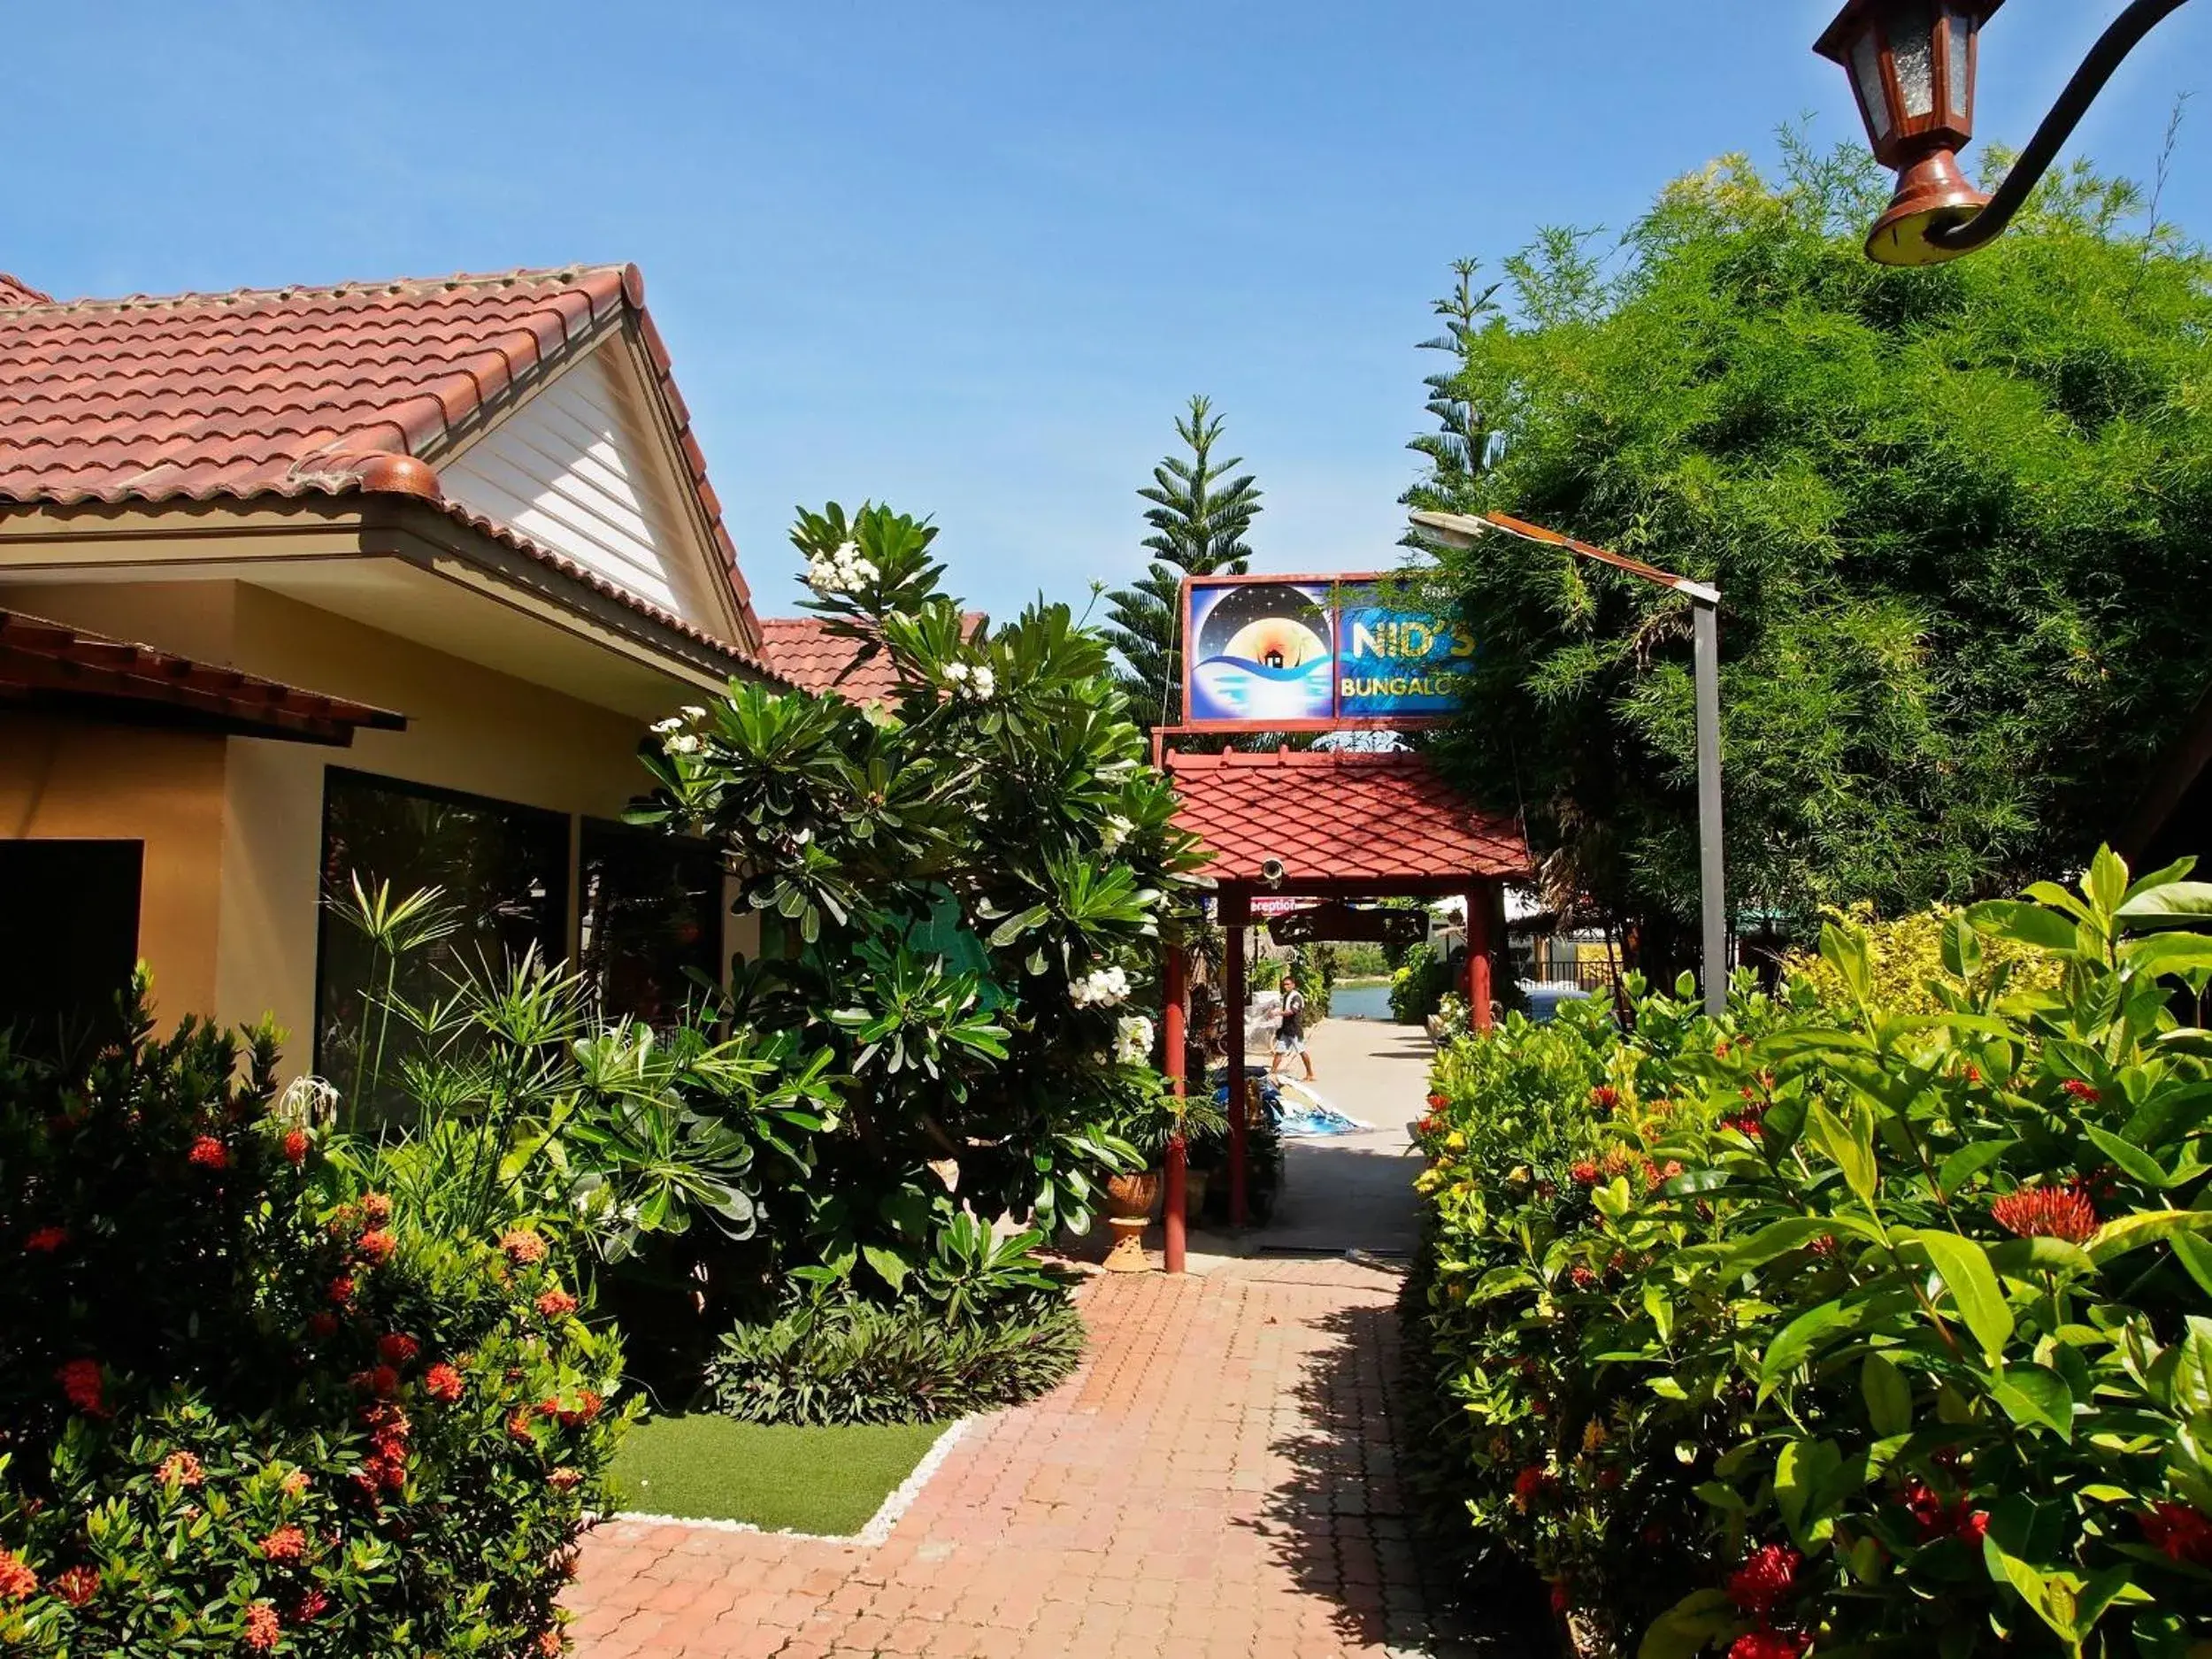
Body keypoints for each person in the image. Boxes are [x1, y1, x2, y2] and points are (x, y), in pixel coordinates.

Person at [1269, 972, 1314, 1082]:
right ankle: (1272, 1073)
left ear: (1293, 985)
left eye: (1288, 984)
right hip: (1286, 1030)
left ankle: (1310, 1074)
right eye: (1284, 984)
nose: (1286, 986)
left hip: (1294, 1030)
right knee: (1279, 1052)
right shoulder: (1286, 996)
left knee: (1301, 1051)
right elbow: (1285, 1010)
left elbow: (1291, 1012)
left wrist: (1277, 1013)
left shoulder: (1296, 997)